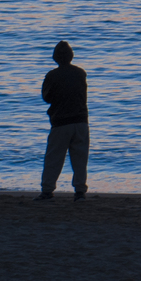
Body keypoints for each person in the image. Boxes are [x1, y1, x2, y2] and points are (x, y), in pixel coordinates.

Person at [39, 40, 90, 201]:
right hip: (81, 121)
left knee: (54, 158)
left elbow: (46, 98)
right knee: (80, 158)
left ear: (55, 58)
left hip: (60, 121)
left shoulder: (52, 75)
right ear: (71, 56)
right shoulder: (81, 73)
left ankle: (47, 190)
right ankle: (80, 191)